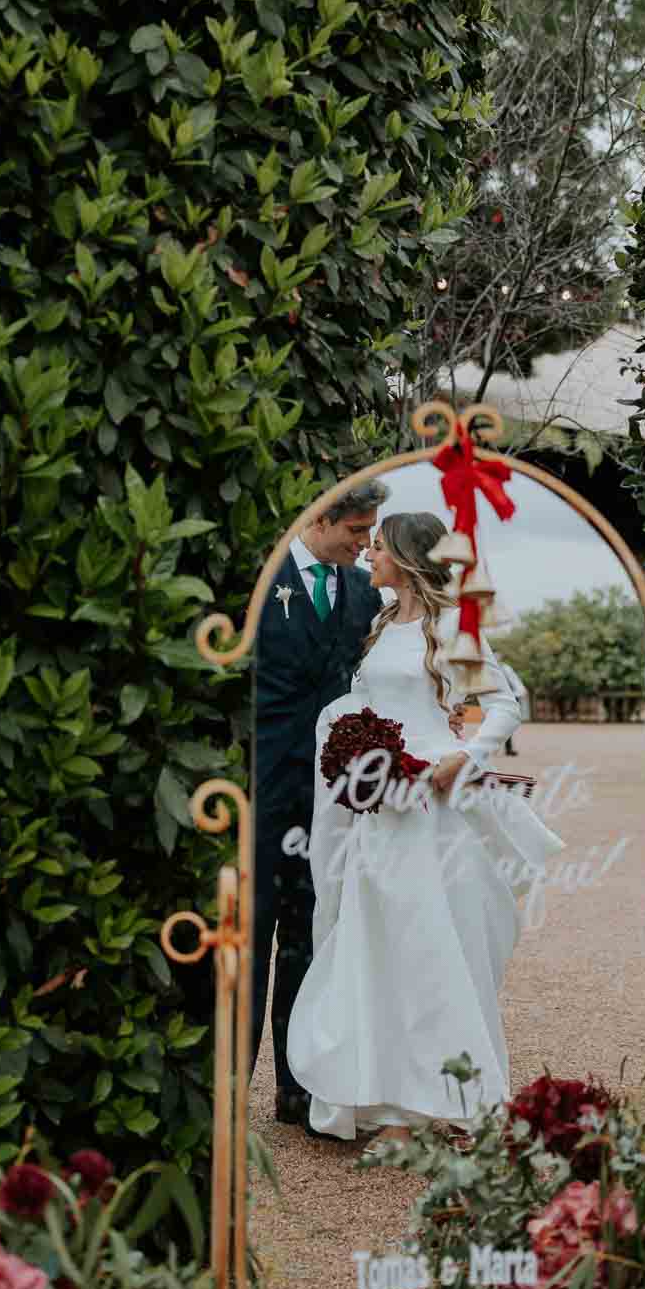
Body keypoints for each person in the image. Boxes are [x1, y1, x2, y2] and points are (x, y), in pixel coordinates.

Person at [286, 511, 564, 1145]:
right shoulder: (384, 625)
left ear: (407, 557)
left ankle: (447, 1099)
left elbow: (503, 704)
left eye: (378, 548)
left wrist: (463, 757)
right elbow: (368, 704)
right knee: (380, 947)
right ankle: (390, 1104)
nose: (369, 556)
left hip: (434, 812)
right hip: (381, 809)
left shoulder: (453, 627)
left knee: (432, 949)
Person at [252, 479, 387, 1128]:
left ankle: (297, 1091)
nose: (365, 546)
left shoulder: (363, 594)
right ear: (322, 519)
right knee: (250, 936)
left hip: (330, 800)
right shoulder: (263, 575)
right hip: (262, 786)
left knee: (310, 935)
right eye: (357, 531)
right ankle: (224, 1090)